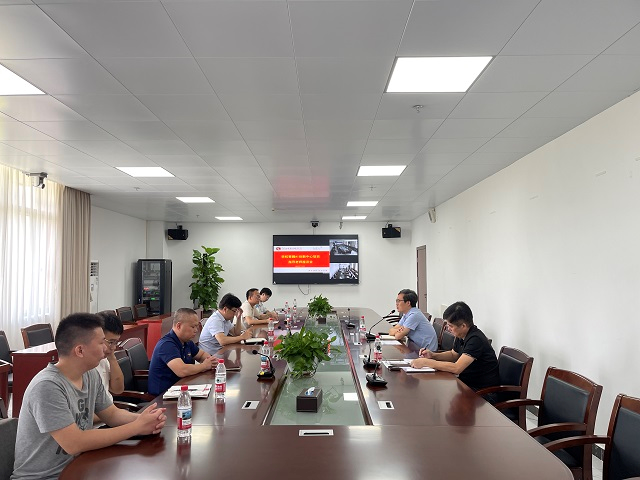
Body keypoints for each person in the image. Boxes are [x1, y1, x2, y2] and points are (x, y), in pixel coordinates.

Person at [12, 313, 166, 480]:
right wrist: (136, 427)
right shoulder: (47, 386)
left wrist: (145, 419)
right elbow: (74, 443)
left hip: (80, 466)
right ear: (80, 350)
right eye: (101, 343)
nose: (106, 349)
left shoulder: (90, 374)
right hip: (45, 477)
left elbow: (112, 414)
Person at [410, 301, 500, 397]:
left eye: (451, 326)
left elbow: (457, 368)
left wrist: (426, 362)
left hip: (483, 392)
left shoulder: (476, 340)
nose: (448, 329)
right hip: (466, 384)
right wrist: (433, 355)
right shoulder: (461, 334)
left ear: (463, 326)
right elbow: (453, 355)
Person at [148, 308, 218, 396]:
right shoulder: (167, 344)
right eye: (193, 327)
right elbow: (182, 370)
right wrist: (204, 366)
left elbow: (201, 355)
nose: (196, 330)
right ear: (179, 326)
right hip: (163, 395)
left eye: (197, 326)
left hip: (182, 388)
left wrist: (211, 360)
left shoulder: (186, 341)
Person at [95, 311, 124, 400]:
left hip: (109, 407)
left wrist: (112, 358)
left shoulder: (105, 358)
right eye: (111, 342)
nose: (114, 347)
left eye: (116, 342)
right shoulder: (83, 365)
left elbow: (118, 390)